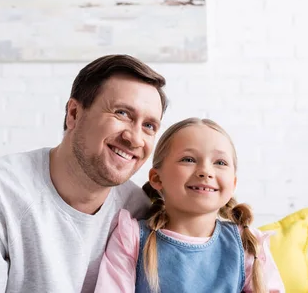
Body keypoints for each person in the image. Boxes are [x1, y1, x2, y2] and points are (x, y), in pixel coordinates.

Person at [0, 54, 168, 293]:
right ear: (74, 114)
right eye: (122, 113)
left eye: (149, 126)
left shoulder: (137, 211)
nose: (135, 138)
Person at [94, 118, 285, 293]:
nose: (205, 171)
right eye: (188, 159)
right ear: (156, 178)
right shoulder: (131, 238)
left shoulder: (247, 243)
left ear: (233, 183)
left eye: (220, 162)